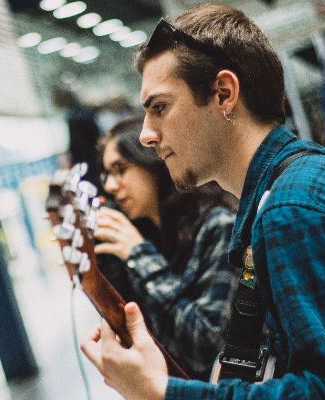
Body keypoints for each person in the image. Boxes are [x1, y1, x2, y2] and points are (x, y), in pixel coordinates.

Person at [79, 3, 325, 400]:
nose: (147, 136)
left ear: (224, 93)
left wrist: (161, 392)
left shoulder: (291, 211)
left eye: (160, 108)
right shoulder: (289, 191)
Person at [93, 113, 238, 381]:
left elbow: (206, 346)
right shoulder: (147, 234)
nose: (110, 186)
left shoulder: (218, 226)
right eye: (107, 175)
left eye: (120, 169)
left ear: (154, 163)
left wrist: (139, 256)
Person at [51, 85, 102, 188]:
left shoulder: (76, 116)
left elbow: (80, 146)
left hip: (88, 164)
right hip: (91, 162)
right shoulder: (79, 112)